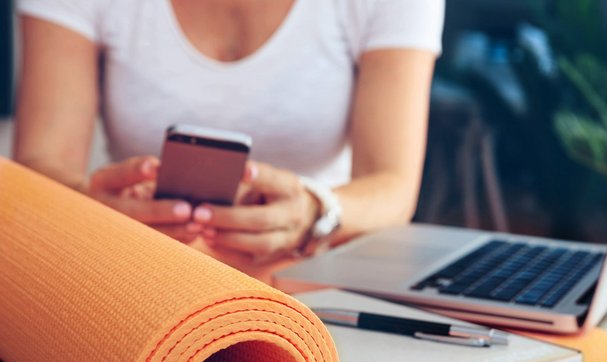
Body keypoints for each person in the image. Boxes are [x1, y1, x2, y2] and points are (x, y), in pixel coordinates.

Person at [14, 0, 444, 264]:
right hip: (138, 264)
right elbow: (37, 166)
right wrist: (93, 203)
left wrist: (315, 210)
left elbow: (393, 186)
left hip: (313, 273)